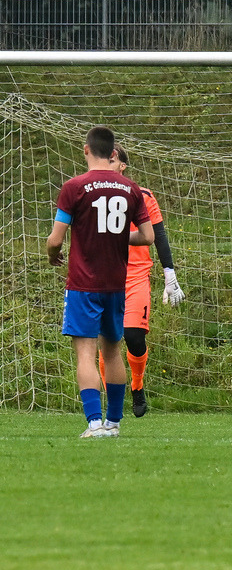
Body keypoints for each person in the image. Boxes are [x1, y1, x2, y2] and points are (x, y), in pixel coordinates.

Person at [47, 127, 154, 438]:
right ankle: (115, 423)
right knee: (112, 351)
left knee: (85, 352)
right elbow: (147, 237)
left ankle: (94, 423)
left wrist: (52, 253)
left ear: (86, 150)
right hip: (117, 283)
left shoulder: (74, 186)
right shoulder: (131, 189)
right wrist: (120, 238)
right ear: (113, 153)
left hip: (83, 283)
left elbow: (56, 239)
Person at [98, 144, 185, 417]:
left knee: (134, 336)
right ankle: (112, 402)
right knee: (107, 340)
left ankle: (137, 385)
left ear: (122, 165)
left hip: (136, 277)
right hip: (104, 277)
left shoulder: (143, 196)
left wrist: (168, 272)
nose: (107, 164)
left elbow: (157, 235)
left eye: (112, 160)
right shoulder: (93, 195)